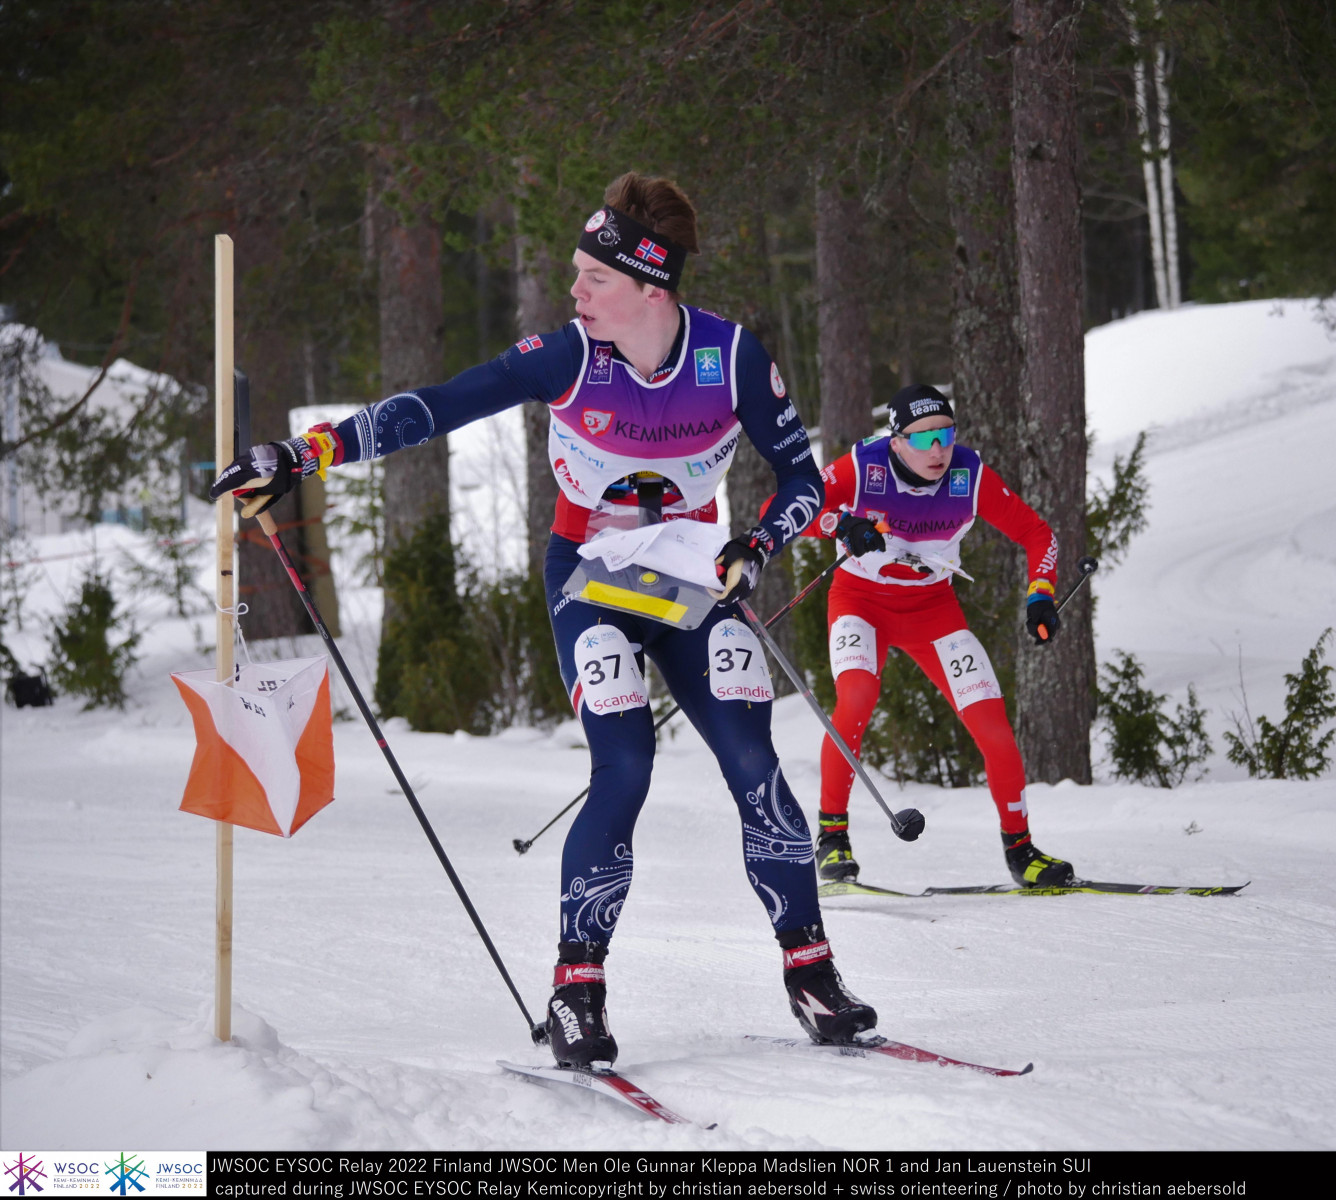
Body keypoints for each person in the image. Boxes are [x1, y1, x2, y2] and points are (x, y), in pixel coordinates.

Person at [210, 172, 876, 1067]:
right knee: (624, 767)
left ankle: (811, 974)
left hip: (692, 579)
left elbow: (802, 479)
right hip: (590, 578)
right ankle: (577, 992)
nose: (575, 291)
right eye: (575, 273)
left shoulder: (732, 358)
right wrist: (304, 453)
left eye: (594, 278)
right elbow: (438, 404)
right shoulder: (567, 356)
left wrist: (755, 546)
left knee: (755, 764)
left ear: (651, 288)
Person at [806, 384, 1075, 888]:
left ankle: (1021, 851)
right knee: (857, 697)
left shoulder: (969, 476)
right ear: (896, 441)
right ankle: (831, 838)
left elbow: (1038, 534)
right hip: (860, 601)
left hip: (932, 610)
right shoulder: (862, 467)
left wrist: (1040, 593)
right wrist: (840, 524)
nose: (937, 450)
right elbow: (784, 509)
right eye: (922, 438)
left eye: (946, 435)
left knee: (992, 723)